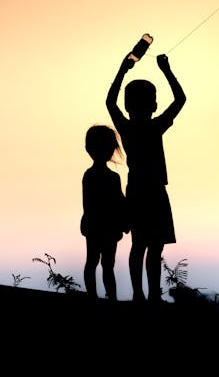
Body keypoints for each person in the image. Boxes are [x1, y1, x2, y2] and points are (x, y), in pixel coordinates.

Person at [106, 33, 186, 303]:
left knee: (141, 246)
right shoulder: (154, 127)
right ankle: (149, 295)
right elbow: (180, 100)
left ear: (128, 106)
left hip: (139, 190)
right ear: (153, 105)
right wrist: (167, 70)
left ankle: (143, 294)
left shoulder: (128, 129)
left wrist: (123, 68)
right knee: (152, 248)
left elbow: (109, 102)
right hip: (152, 191)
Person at [81, 124, 128, 301]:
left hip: (103, 226)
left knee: (102, 263)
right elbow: (117, 203)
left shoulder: (99, 176)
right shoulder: (99, 177)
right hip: (100, 226)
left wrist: (123, 221)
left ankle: (107, 297)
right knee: (100, 263)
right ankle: (102, 297)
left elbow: (120, 203)